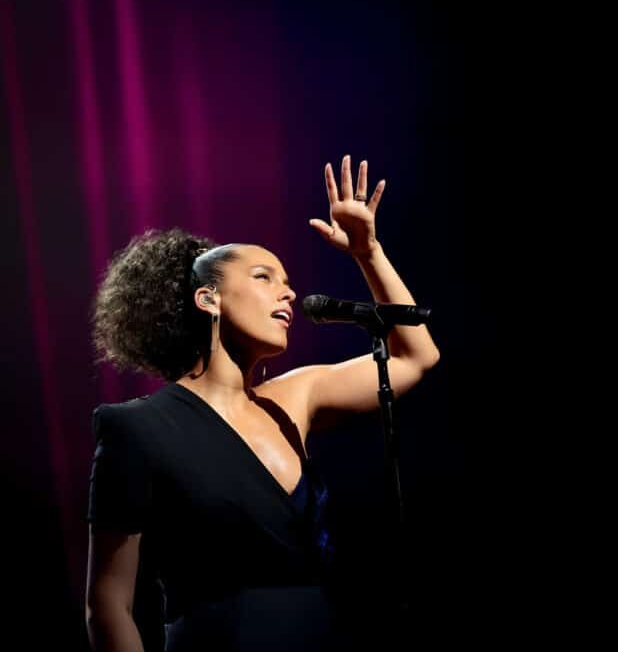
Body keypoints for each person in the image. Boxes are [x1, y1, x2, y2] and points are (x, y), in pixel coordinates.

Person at [85, 155, 440, 651]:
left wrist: (368, 252)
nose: (288, 293)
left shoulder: (296, 397)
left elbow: (416, 356)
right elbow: (108, 602)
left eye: (288, 283)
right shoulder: (138, 428)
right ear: (209, 299)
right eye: (263, 277)